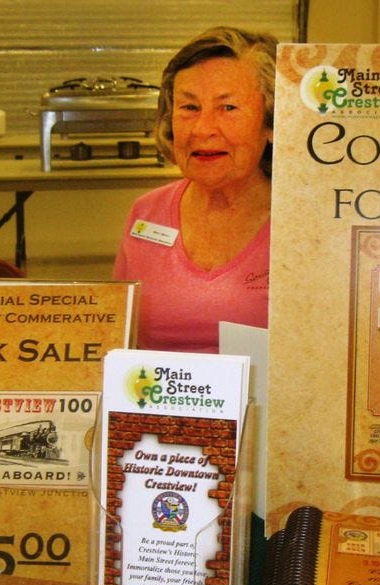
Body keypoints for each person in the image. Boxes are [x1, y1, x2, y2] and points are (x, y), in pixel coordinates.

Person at [113, 27, 277, 353]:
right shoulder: (146, 213)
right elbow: (116, 339)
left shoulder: (309, 224)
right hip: (157, 399)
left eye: (228, 108)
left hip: (273, 404)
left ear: (271, 123)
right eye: (189, 108)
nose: (203, 130)